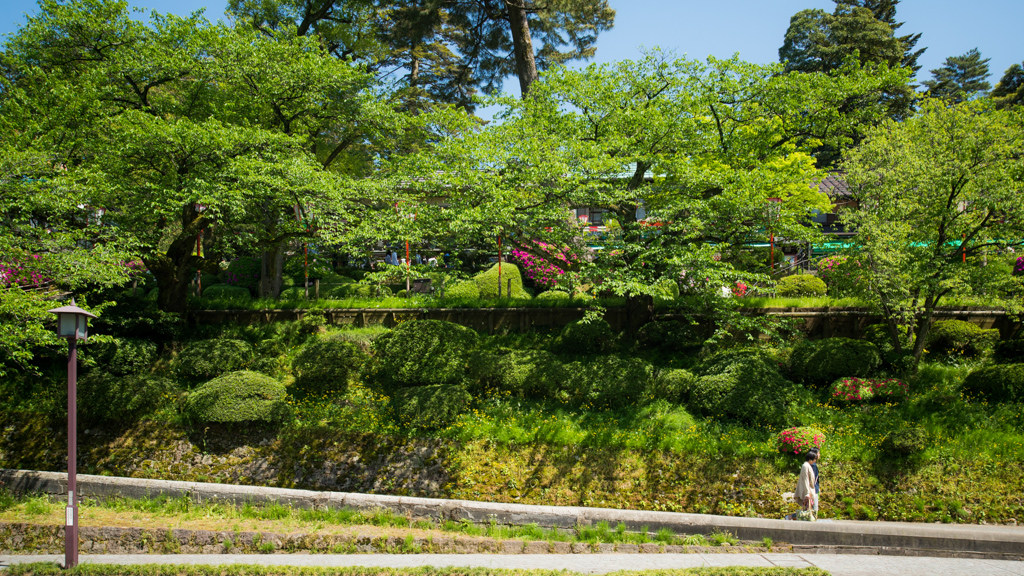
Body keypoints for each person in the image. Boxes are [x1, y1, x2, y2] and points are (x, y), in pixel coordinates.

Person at [788, 448, 819, 520]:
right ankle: (790, 517)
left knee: (807, 508)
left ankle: (791, 517)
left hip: (809, 490)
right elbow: (806, 480)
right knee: (810, 509)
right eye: (814, 459)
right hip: (808, 490)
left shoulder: (807, 465)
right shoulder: (806, 466)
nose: (815, 461)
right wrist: (807, 493)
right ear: (810, 459)